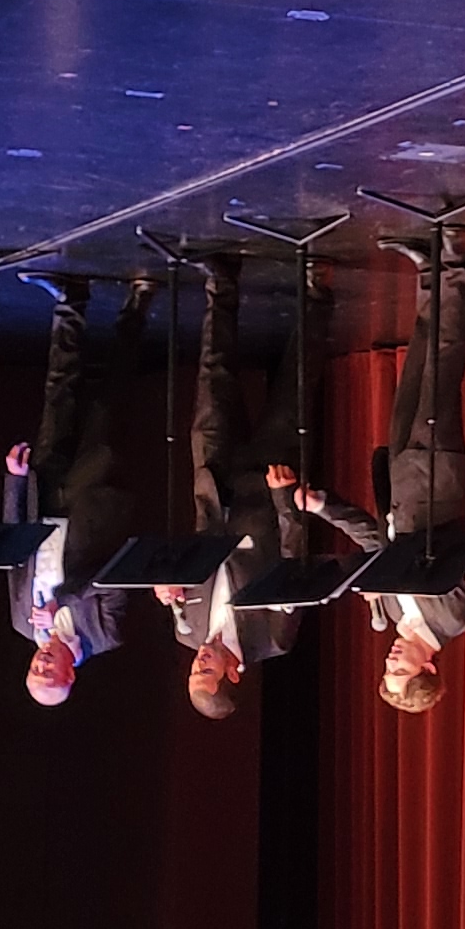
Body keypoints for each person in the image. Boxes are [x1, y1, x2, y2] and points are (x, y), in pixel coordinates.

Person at [288, 230, 465, 714]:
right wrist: (389, 577)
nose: (391, 659)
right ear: (428, 668)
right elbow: (443, 552)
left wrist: (324, 507)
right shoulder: (456, 617)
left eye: (387, 669)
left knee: (418, 366)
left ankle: (427, 274)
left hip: (401, 479)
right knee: (444, 368)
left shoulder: (393, 611)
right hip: (436, 482)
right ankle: (454, 261)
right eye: (401, 669)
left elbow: (379, 542)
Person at [155, 251, 313, 721]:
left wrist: (167, 582)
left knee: (213, 380)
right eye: (207, 671)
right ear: (234, 673)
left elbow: (184, 563)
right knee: (293, 390)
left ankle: (221, 281)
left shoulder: (185, 631)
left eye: (193, 671)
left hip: (214, 486)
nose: (199, 661)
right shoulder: (273, 638)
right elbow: (294, 559)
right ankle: (316, 291)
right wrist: (286, 499)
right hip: (267, 491)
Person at [3, 270, 154, 707]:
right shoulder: (104, 635)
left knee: (58, 397)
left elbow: (15, 555)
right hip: (93, 499)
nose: (41, 662)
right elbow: (113, 581)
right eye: (49, 671)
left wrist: (15, 483)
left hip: (44, 498)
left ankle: (70, 302)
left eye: (35, 669)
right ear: (70, 674)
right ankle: (137, 305)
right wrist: (64, 603)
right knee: (109, 401)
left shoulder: (20, 623)